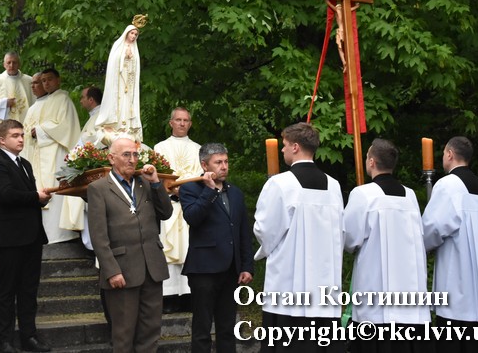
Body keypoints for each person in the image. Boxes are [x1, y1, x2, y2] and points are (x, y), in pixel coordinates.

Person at [253, 122, 344, 352]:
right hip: (325, 282)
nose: (282, 149)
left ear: (295, 147)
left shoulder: (280, 183)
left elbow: (265, 229)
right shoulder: (334, 186)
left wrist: (265, 249)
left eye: (284, 145)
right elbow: (340, 233)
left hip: (289, 281)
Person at [343, 139, 431, 353]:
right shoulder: (410, 196)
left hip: (376, 291)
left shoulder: (362, 194)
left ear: (371, 162)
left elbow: (349, 239)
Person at [88, 137, 173, 353]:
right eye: (126, 154)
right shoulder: (99, 188)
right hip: (122, 271)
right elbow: (98, 236)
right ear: (111, 158)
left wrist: (156, 183)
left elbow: (166, 213)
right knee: (124, 333)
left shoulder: (146, 183)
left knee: (150, 331)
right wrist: (111, 271)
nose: (132, 159)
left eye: (135, 154)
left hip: (152, 268)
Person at [422, 136, 478, 353]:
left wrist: (423, 245)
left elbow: (433, 227)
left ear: (450, 154)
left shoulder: (447, 185)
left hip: (458, 285)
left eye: (443, 153)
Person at [0, 119, 52, 353]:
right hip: (9, 238)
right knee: (7, 290)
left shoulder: (25, 163)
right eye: (15, 135)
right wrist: (35, 196)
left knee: (29, 290)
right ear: (2, 140)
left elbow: (26, 195)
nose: (21, 139)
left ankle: (28, 337)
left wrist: (40, 198)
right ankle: (4, 341)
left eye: (22, 135)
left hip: (31, 236)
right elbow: (5, 195)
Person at [180, 143, 253, 353]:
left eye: (226, 161)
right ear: (205, 165)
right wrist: (209, 190)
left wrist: (247, 266)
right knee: (202, 328)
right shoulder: (190, 189)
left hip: (231, 270)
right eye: (218, 162)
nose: (224, 166)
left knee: (227, 327)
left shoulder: (236, 193)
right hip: (203, 269)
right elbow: (193, 218)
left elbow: (243, 231)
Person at [26, 68, 82, 243]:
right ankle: (45, 235)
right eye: (43, 81)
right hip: (40, 153)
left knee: (56, 189)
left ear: (58, 80)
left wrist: (40, 130)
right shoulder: (40, 103)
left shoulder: (63, 99)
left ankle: (60, 234)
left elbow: (66, 127)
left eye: (49, 79)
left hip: (57, 153)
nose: (46, 83)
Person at [154, 107, 201, 313]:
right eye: (178, 120)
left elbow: (201, 175)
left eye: (186, 120)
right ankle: (169, 297)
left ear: (190, 124)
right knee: (169, 250)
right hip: (169, 206)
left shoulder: (199, 149)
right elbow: (157, 175)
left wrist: (188, 191)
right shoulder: (160, 147)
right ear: (171, 122)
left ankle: (189, 296)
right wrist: (172, 189)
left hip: (191, 206)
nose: (182, 123)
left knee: (189, 249)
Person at [95, 22, 143, 142]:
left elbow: (136, 67)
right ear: (127, 33)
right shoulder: (118, 45)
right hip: (118, 82)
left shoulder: (135, 49)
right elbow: (114, 62)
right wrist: (124, 57)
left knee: (127, 103)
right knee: (119, 102)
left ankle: (127, 127)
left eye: (136, 34)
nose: (133, 36)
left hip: (129, 83)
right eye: (132, 33)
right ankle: (116, 126)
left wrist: (131, 58)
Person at [0, 52, 35, 157]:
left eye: (14, 62)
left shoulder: (28, 81)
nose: (11, 65)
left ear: (19, 64)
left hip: (24, 125)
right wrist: (4, 103)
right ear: (4, 64)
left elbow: (36, 102)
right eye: (9, 62)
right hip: (1, 125)